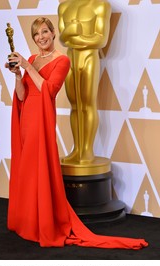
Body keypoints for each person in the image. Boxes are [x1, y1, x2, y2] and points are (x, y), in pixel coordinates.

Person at [5, 17, 148, 249]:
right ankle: (28, 222)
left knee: (40, 168)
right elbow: (22, 96)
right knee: (28, 169)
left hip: (42, 121)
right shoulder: (31, 59)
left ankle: (43, 222)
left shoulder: (62, 61)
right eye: (36, 35)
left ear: (52, 33)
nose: (40, 37)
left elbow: (49, 91)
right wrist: (19, 75)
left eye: (44, 32)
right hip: (26, 121)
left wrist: (28, 67)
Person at [58, 0, 111, 164]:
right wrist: (74, 35)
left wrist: (74, 36)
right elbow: (62, 39)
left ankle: (87, 151)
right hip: (70, 60)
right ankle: (77, 149)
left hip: (89, 58)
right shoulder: (64, 7)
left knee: (87, 104)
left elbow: (100, 40)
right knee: (74, 105)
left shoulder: (100, 5)